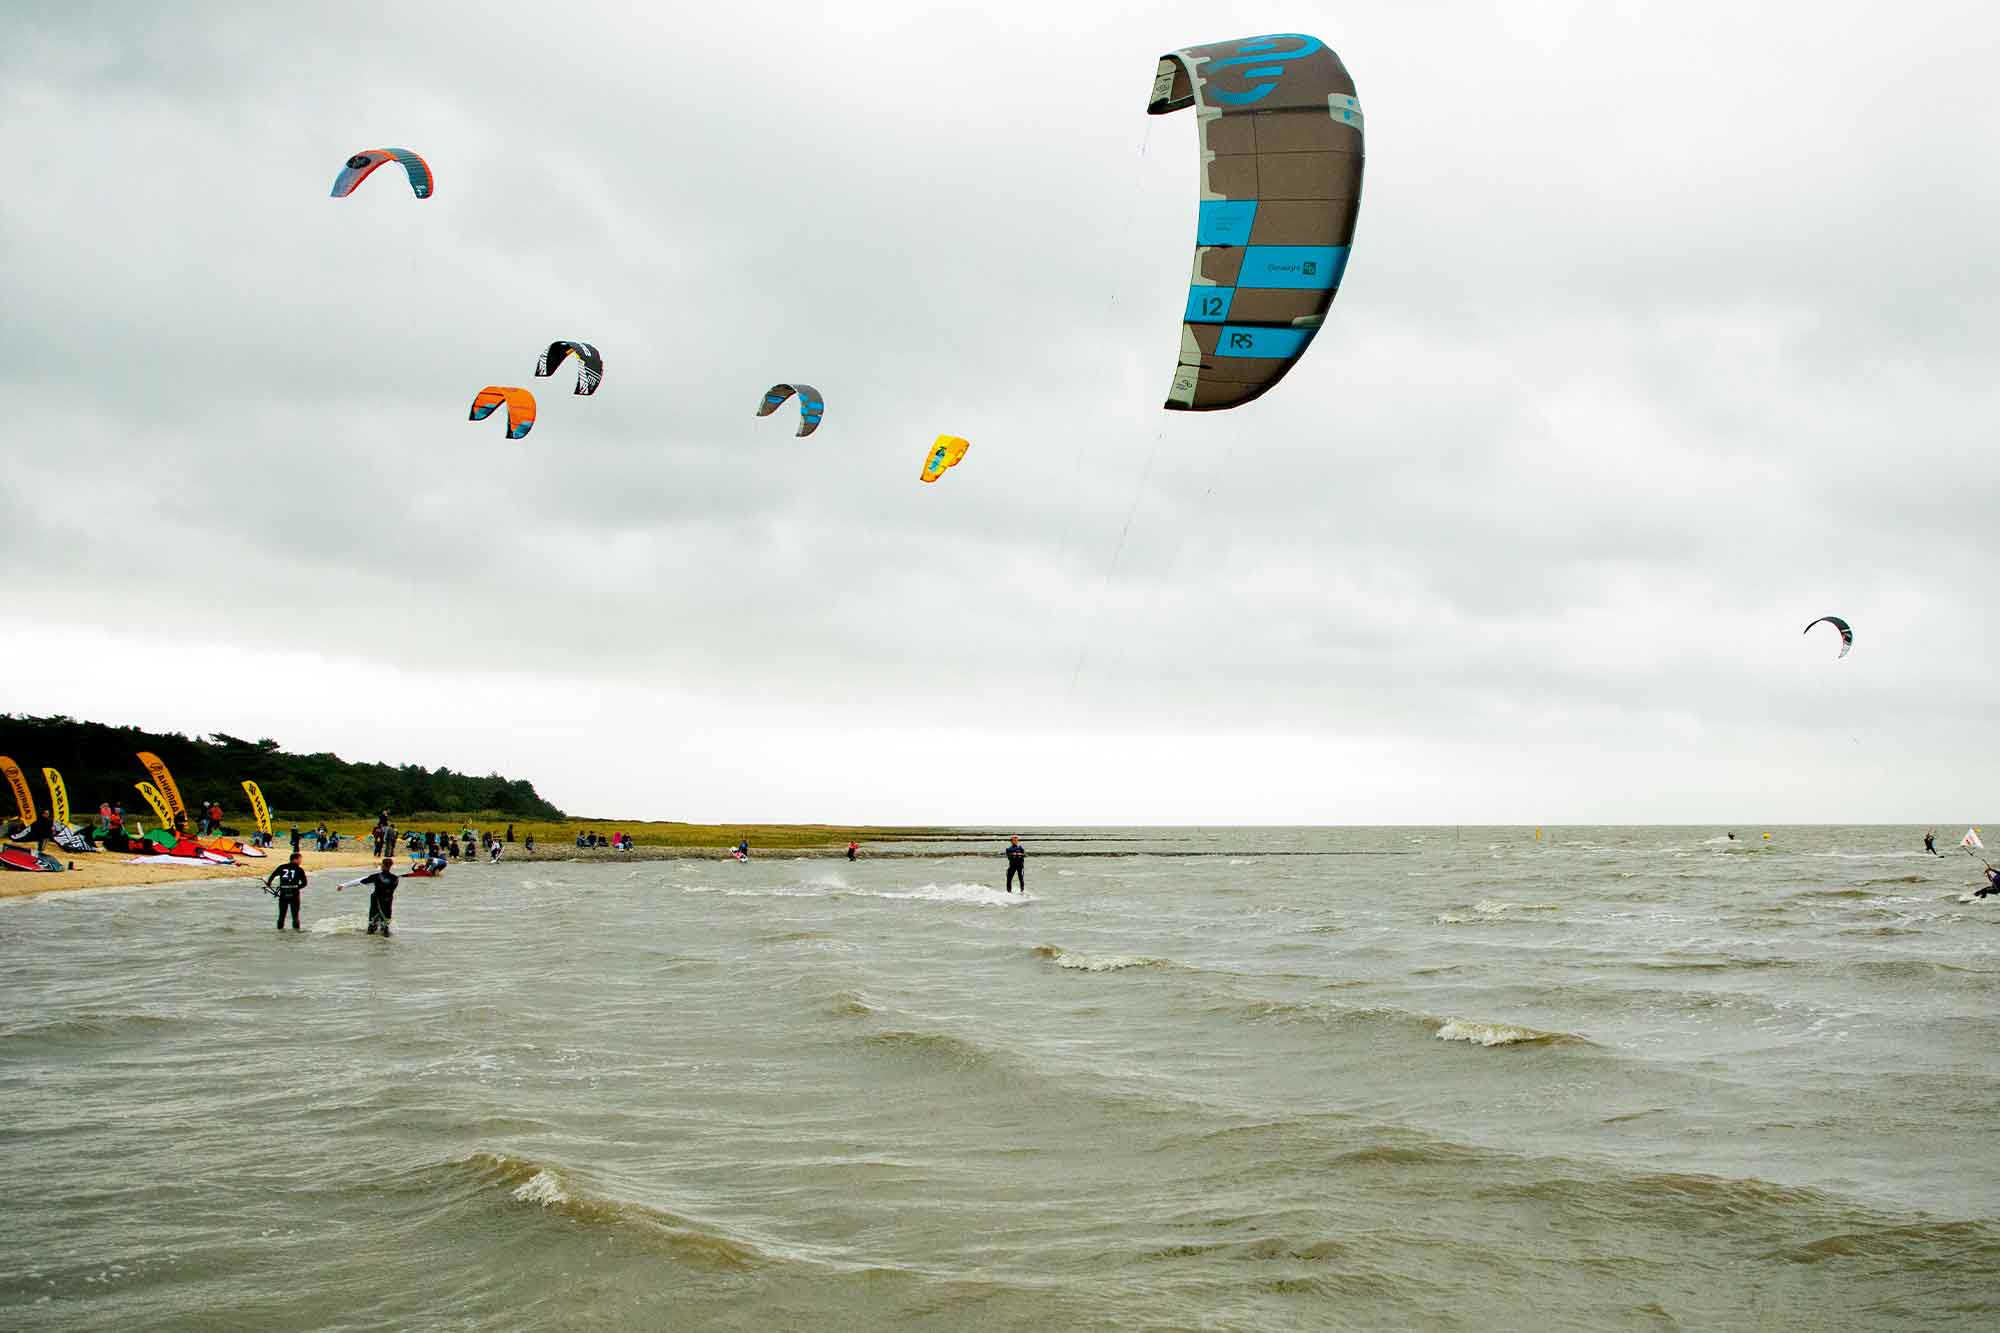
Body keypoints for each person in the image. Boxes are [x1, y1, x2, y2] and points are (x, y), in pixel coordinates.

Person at [341, 857, 402, 936]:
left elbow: (360, 881)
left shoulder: (376, 877)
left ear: (382, 865)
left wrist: (344, 885)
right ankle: (384, 945)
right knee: (385, 929)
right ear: (391, 866)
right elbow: (388, 887)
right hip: (387, 903)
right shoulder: (395, 878)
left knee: (371, 928)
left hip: (376, 902)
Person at [265, 852, 307, 930]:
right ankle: (296, 934)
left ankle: (280, 933)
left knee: (281, 915)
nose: (301, 861)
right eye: (300, 859)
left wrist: (269, 883)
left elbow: (273, 875)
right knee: (295, 916)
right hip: (294, 894)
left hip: (283, 893)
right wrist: (296, 888)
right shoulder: (299, 869)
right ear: (295, 859)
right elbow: (305, 883)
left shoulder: (282, 867)